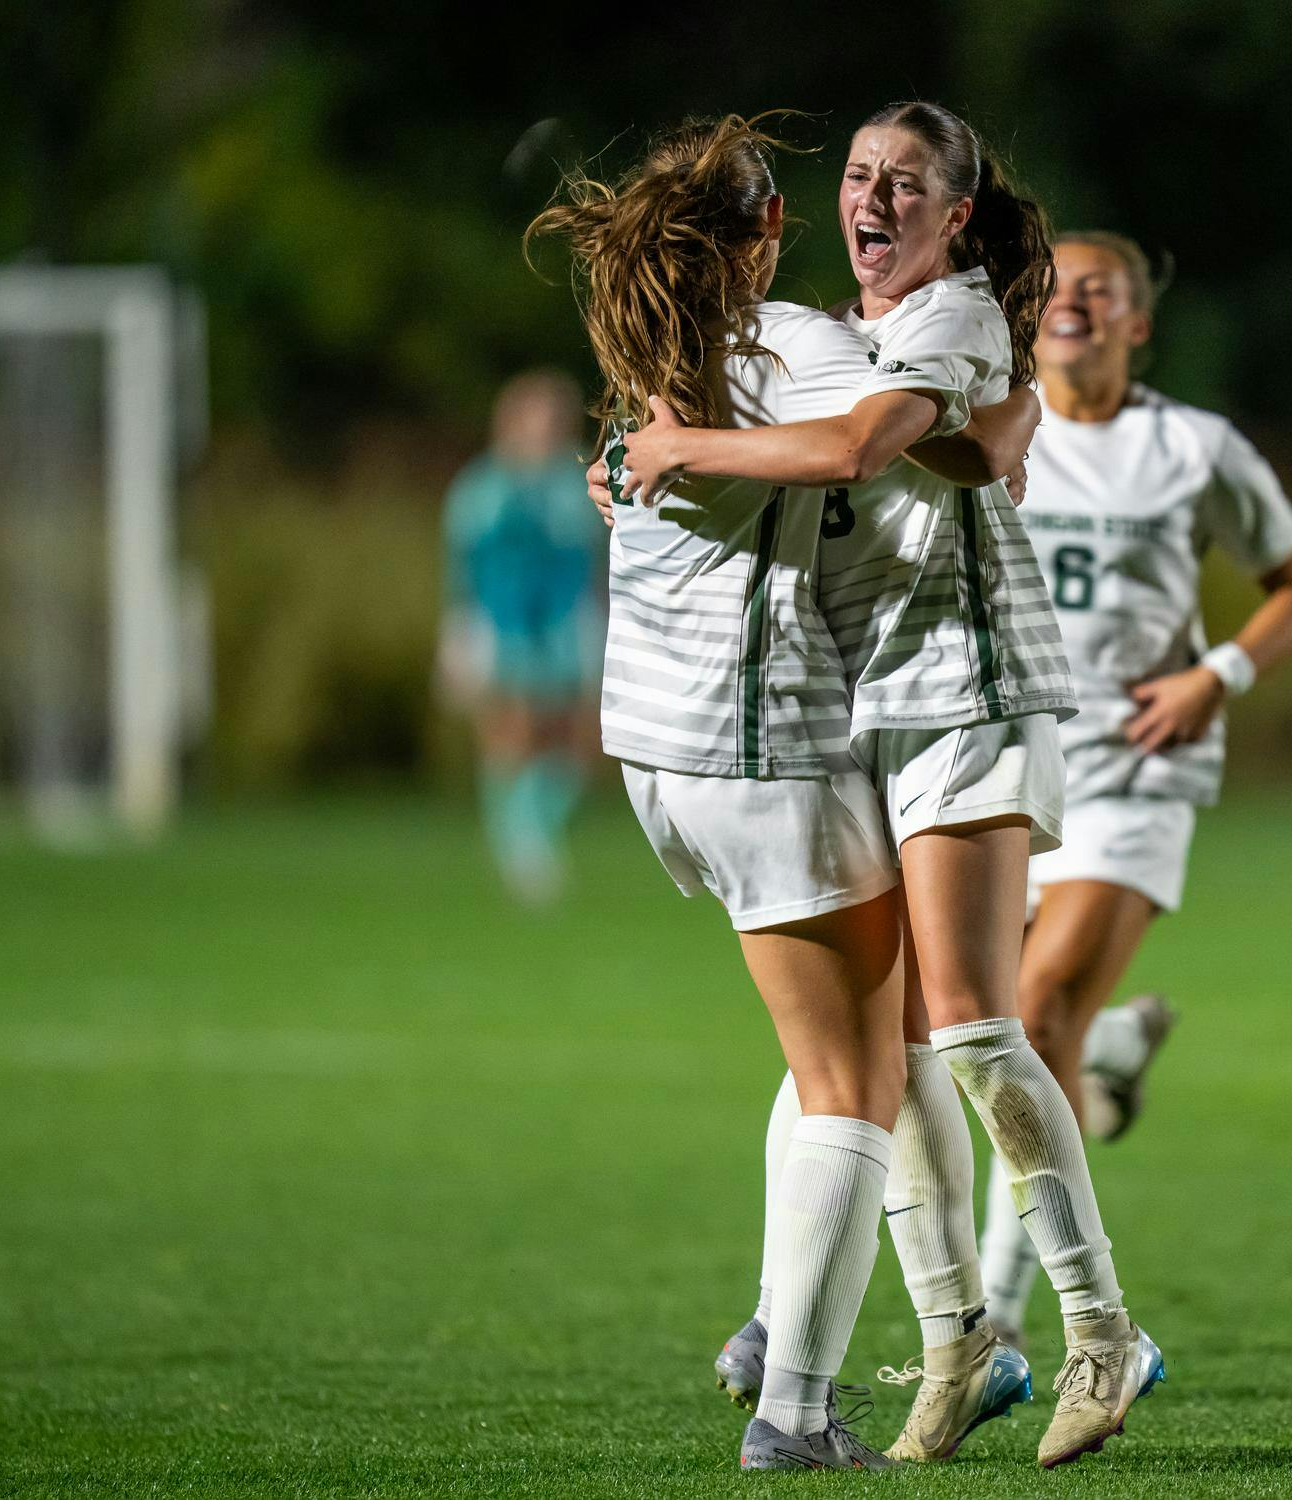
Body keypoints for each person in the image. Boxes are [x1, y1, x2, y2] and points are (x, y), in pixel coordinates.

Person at [617, 103, 1164, 1471]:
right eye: (859, 175)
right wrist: (639, 455)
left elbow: (867, 444)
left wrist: (674, 449)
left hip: (969, 689)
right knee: (893, 1049)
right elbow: (900, 437)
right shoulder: (834, 337)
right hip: (875, 710)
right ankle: (957, 1338)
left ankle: (1100, 1329)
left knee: (968, 1028)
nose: (873, 198)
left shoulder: (951, 318)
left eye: (905, 183)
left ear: (954, 216)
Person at [534, 113, 1036, 1473]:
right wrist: (1011, 404)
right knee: (855, 1080)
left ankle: (786, 1327)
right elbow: (886, 431)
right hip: (762, 751)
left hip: (657, 757)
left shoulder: (656, 360)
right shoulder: (798, 348)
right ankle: (796, 1411)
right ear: (768, 228)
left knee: (847, 1037)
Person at [977, 232, 1292, 1347]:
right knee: (985, 1031)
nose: (1074, 302)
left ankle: (1000, 1313)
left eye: (1102, 290)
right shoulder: (986, 425)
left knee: (1033, 1014)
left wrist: (1213, 677)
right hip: (1002, 757)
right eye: (1057, 285)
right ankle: (1109, 1053)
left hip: (1136, 764)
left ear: (1136, 322)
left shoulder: (1192, 447)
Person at [437, 372, 604, 903]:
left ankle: (533, 826)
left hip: (567, 624)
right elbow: (462, 565)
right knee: (510, 732)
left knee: (576, 737)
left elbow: (598, 558)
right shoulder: (481, 488)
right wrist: (458, 635)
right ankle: (517, 841)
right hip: (500, 625)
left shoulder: (577, 482)